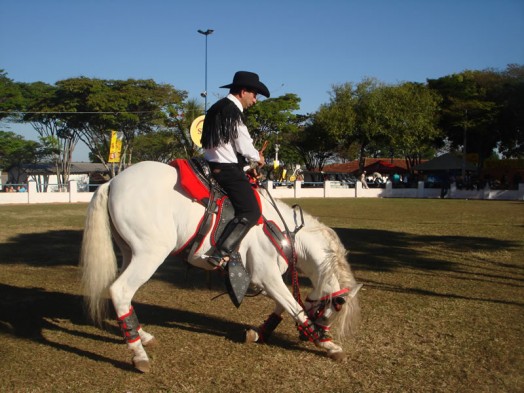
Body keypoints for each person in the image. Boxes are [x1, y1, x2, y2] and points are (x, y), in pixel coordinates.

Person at [200, 71, 270, 269]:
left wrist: (247, 166)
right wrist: (258, 158)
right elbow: (243, 144)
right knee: (252, 210)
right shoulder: (233, 112)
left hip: (211, 164)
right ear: (243, 91)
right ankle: (221, 252)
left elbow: (225, 147)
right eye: (254, 95)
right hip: (226, 170)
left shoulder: (217, 107)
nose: (255, 100)